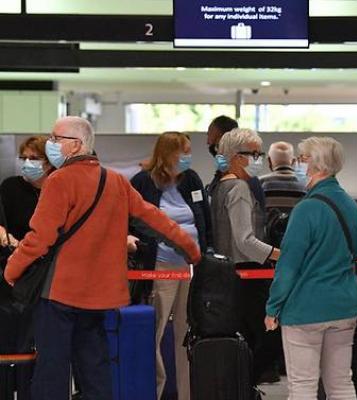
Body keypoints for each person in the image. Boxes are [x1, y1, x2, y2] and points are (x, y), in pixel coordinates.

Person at [3, 116, 201, 400]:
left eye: (56, 138)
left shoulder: (59, 181)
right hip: (101, 296)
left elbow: (40, 238)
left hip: (60, 295)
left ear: (75, 145)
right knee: (96, 371)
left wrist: (12, 269)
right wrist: (190, 249)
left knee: (52, 373)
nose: (51, 144)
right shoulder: (115, 181)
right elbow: (155, 220)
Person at [265, 136, 357, 400]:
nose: (298, 164)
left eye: (301, 159)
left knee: (302, 387)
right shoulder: (350, 205)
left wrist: (273, 307)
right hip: (344, 305)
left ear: (313, 163)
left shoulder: (306, 209)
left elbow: (288, 265)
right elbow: (356, 252)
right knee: (341, 383)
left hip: (305, 309)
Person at [129, 131, 211, 400]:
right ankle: (154, 392)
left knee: (187, 333)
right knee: (155, 331)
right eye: (183, 152)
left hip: (191, 267)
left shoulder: (192, 179)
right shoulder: (143, 181)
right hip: (160, 267)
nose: (188, 157)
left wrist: (206, 252)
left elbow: (204, 218)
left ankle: (188, 394)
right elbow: (132, 220)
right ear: (168, 154)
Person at [210, 128, 281, 384]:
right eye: (254, 153)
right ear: (237, 157)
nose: (258, 159)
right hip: (248, 273)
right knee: (269, 337)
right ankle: (245, 384)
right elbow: (245, 240)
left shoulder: (219, 186)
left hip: (228, 273)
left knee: (246, 338)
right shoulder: (239, 188)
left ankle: (241, 385)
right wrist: (278, 255)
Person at [0, 135, 54, 400]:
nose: (28, 163)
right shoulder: (10, 188)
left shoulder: (57, 190)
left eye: (35, 158)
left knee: (42, 344)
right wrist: (13, 243)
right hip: (14, 273)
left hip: (49, 276)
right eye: (24, 158)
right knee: (13, 342)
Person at [259, 141, 306, 246]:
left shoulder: (260, 183)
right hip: (297, 243)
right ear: (293, 161)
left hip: (267, 246)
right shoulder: (306, 184)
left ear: (269, 161)